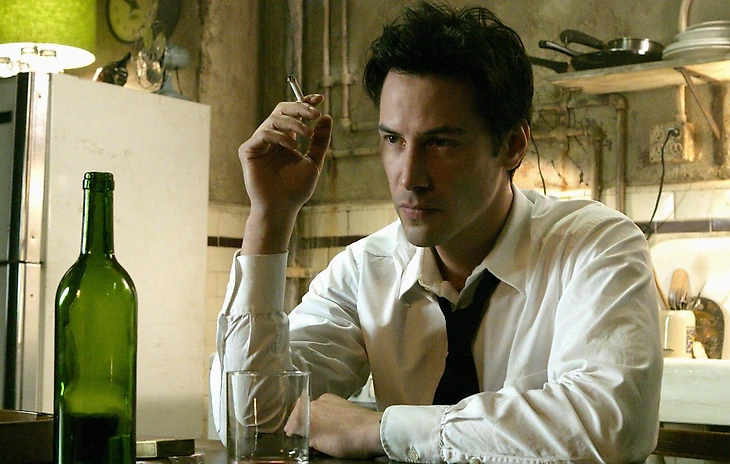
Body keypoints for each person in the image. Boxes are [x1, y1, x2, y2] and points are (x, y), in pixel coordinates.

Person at [211, 2, 663, 462]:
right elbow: (253, 422)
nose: (409, 177)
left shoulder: (596, 246)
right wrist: (270, 218)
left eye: (441, 143)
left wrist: (381, 430)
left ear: (512, 146)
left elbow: (608, 428)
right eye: (393, 140)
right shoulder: (366, 270)